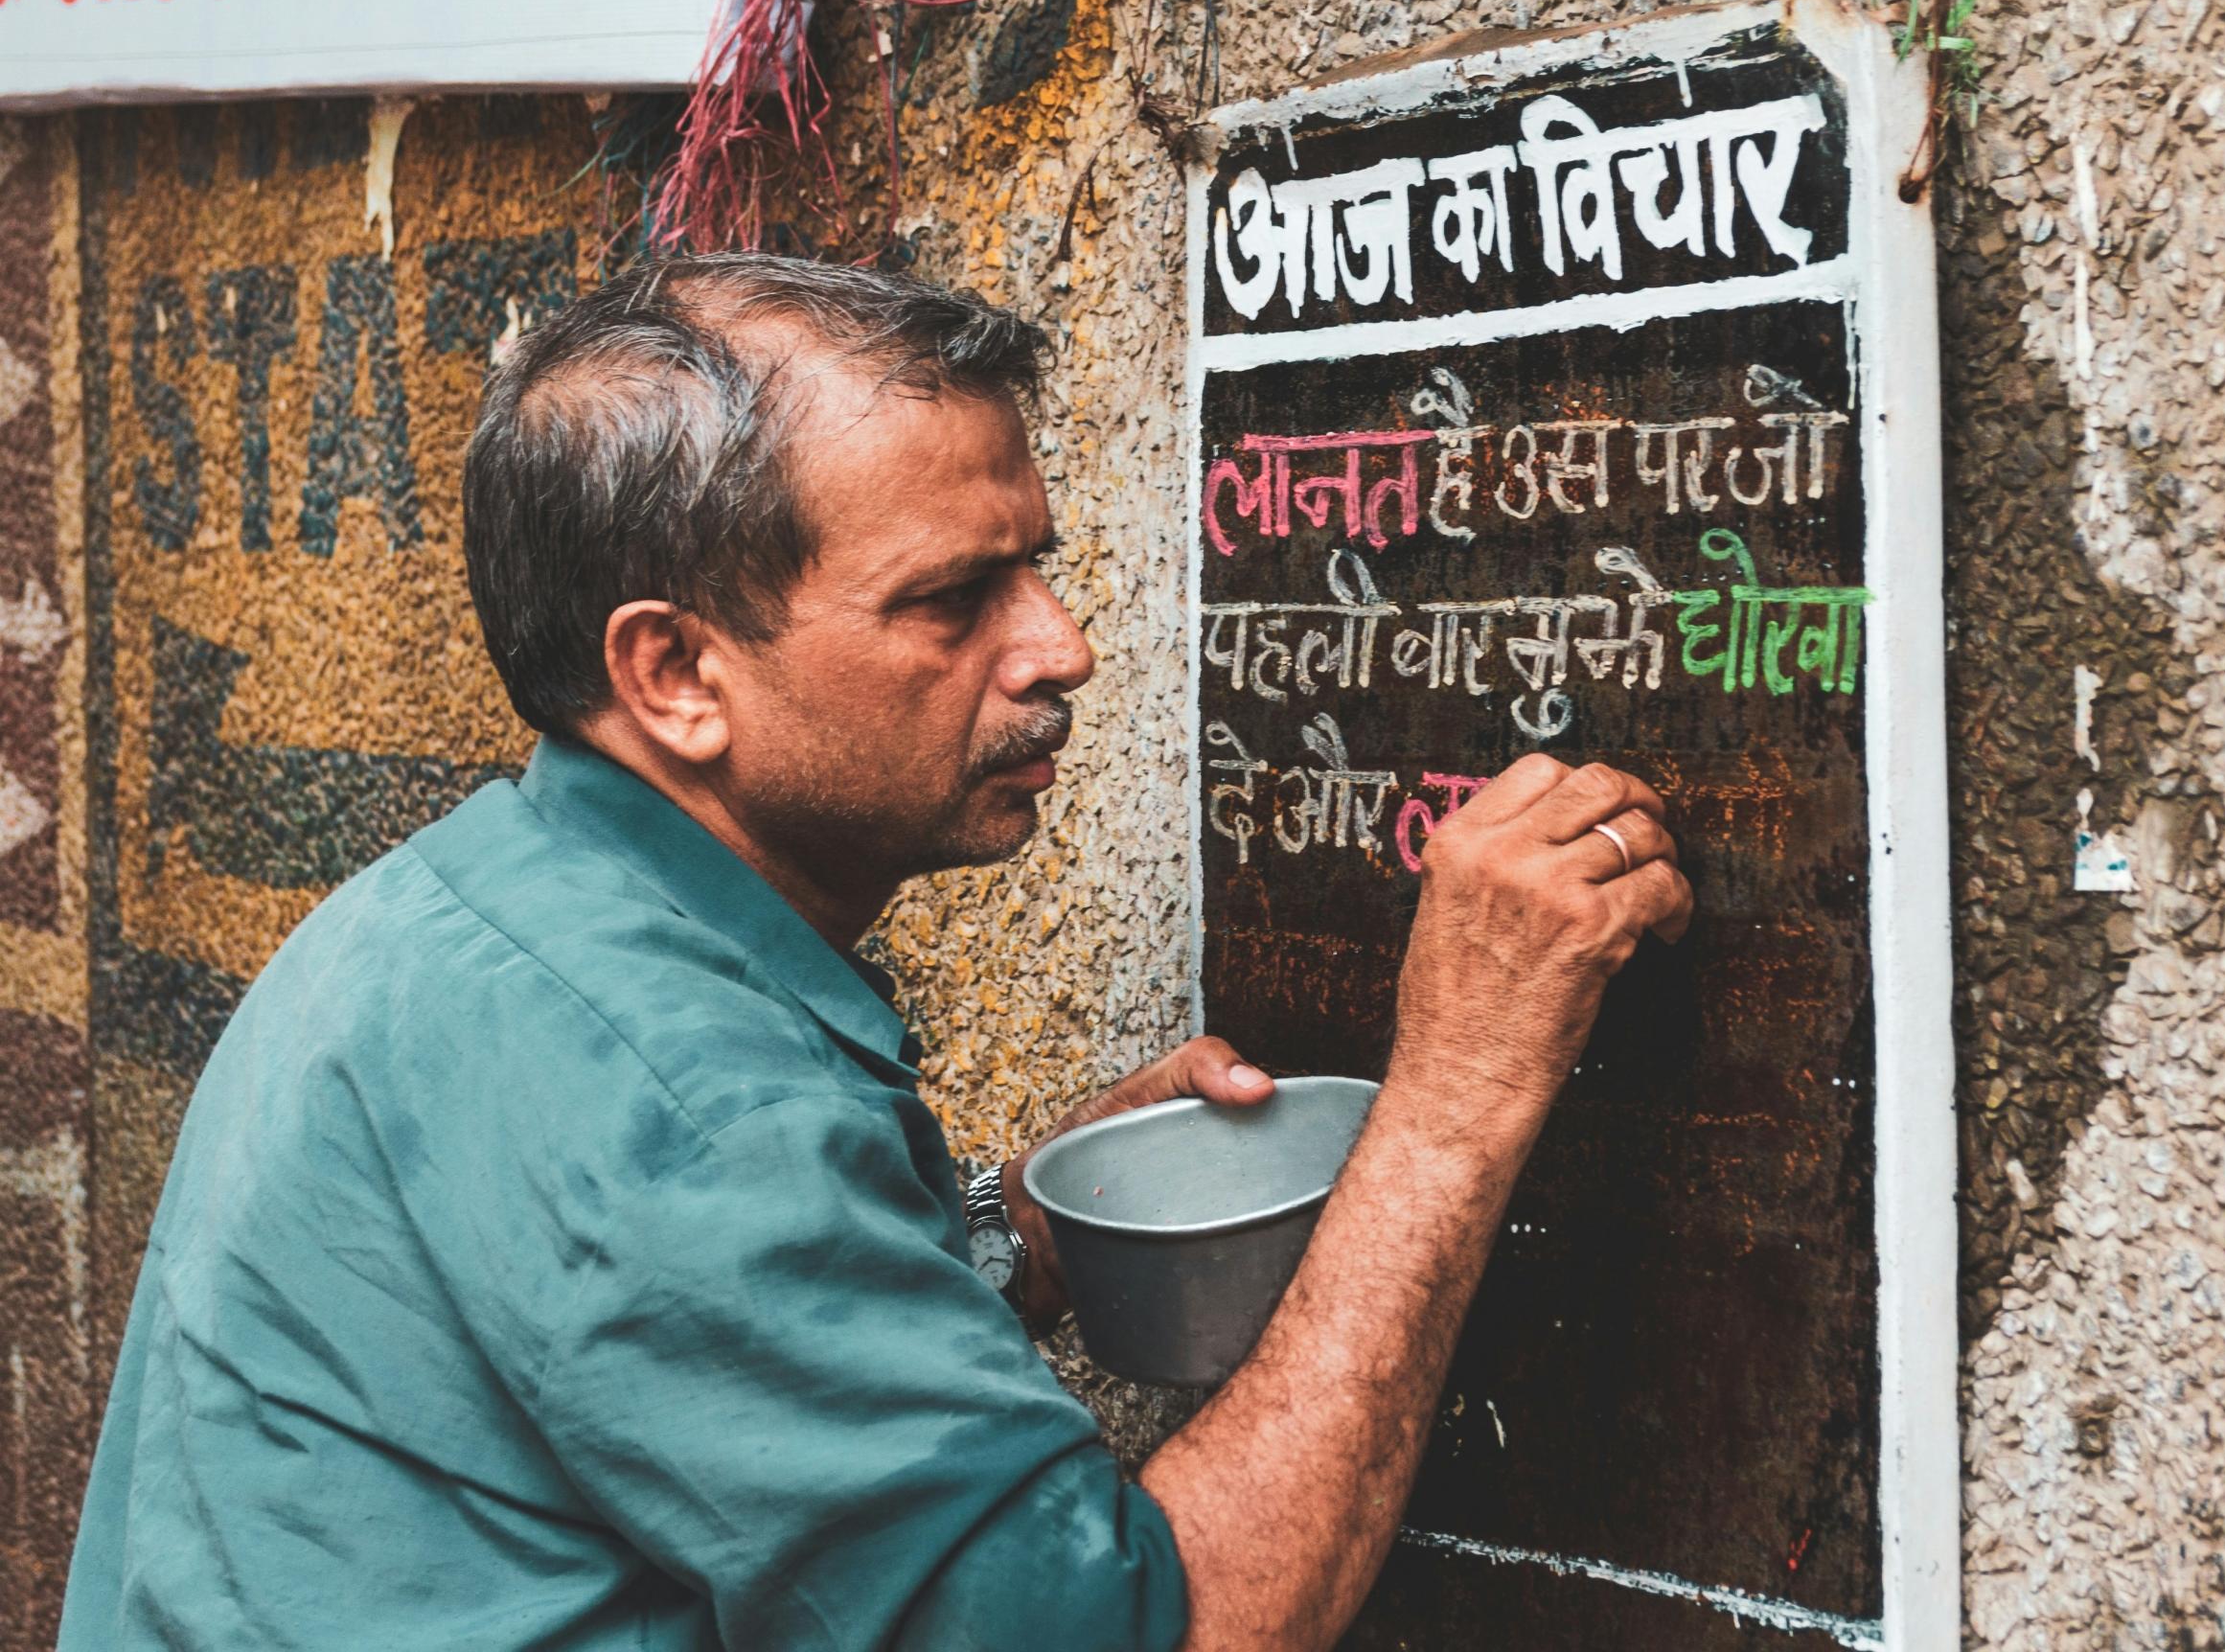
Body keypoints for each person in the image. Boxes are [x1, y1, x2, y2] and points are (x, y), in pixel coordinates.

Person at [59, 254, 1691, 1651]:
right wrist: (1459, 1091)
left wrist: (1008, 1239)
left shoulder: (480, 912)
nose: (1059, 644)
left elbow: (655, 1365)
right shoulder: (673, 1098)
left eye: (1037, 564)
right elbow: (1171, 1629)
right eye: (953, 598)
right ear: (677, 672)